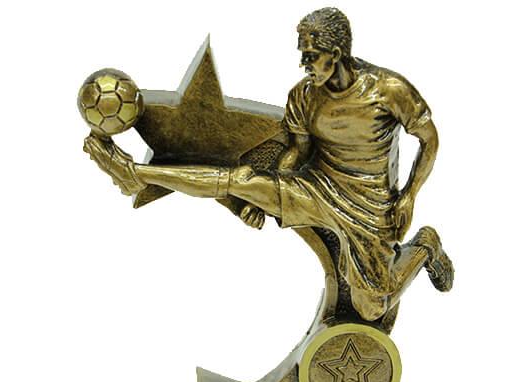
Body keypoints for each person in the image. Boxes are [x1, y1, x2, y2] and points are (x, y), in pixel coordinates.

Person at [84, 7, 453, 321]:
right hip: (318, 187)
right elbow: (297, 153)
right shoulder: (303, 95)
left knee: (372, 308)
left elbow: (429, 140)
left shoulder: (389, 90)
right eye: (302, 55)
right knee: (242, 180)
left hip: (370, 203)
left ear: (336, 53)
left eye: (311, 56)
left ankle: (425, 246)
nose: (304, 65)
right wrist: (265, 197)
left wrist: (409, 195)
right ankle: (137, 174)